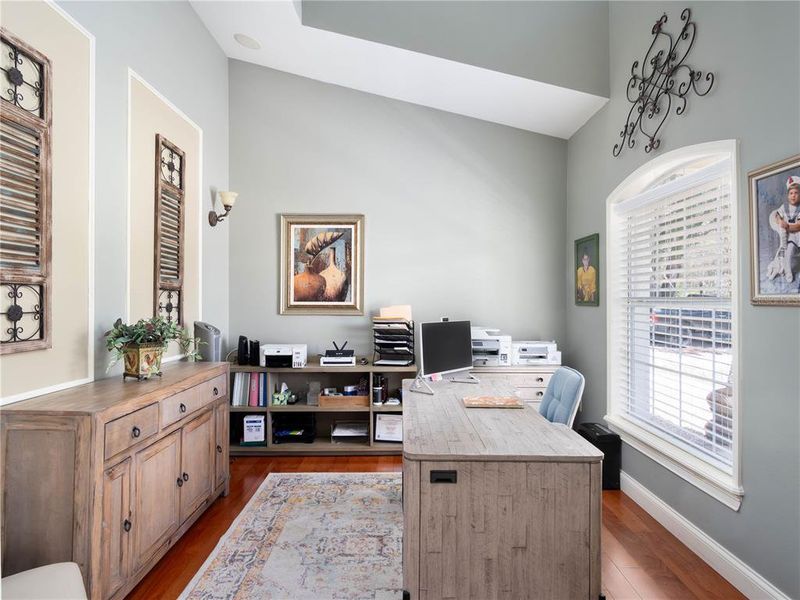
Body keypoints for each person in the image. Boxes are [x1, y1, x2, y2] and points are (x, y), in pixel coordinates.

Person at [766, 175, 800, 283]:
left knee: (792, 248)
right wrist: (780, 221)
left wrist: (788, 226)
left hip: (798, 234)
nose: (793, 196)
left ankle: (788, 268)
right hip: (790, 236)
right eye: (791, 193)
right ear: (788, 195)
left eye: (796, 193)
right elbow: (777, 215)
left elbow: (799, 225)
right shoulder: (784, 207)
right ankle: (787, 270)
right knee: (788, 251)